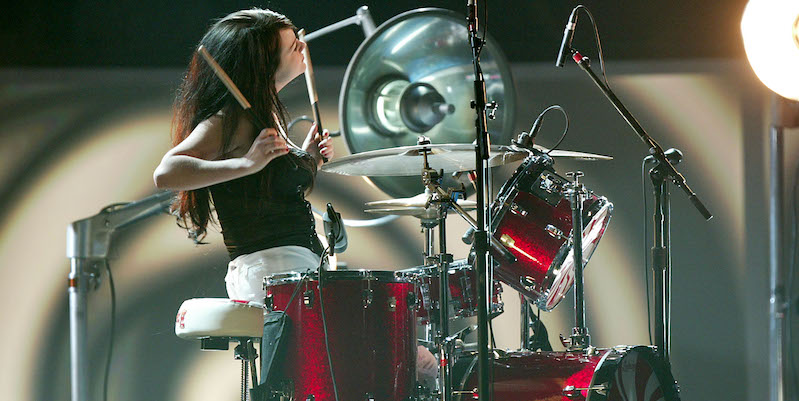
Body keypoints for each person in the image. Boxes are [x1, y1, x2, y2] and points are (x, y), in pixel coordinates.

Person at [153, 8, 333, 303]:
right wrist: (246, 163)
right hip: (273, 271)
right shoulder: (231, 117)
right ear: (264, 64)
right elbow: (167, 172)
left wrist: (311, 159)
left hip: (289, 268)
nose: (303, 47)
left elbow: (271, 190)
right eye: (293, 46)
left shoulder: (263, 113)